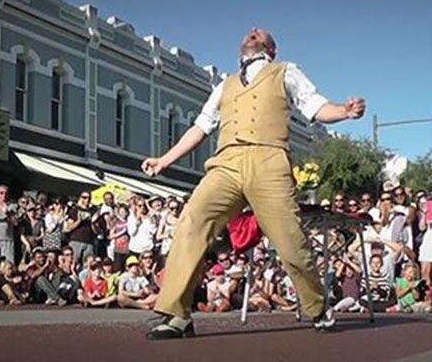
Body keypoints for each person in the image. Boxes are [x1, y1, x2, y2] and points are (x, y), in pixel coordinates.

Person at [141, 27, 366, 339]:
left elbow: (315, 106)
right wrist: (165, 160)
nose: (253, 32)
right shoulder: (225, 85)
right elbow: (201, 126)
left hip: (269, 160)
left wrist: (344, 111)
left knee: (289, 239)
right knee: (192, 221)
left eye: (261, 33)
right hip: (226, 162)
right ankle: (177, 314)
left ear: (271, 49)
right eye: (250, 32)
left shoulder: (285, 71)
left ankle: (317, 306)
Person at [64, 192, 97, 263]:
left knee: (88, 264)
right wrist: (79, 221)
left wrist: (93, 222)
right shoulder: (75, 210)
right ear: (80, 198)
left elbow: (96, 231)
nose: (87, 200)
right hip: (76, 240)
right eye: (84, 197)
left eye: (89, 198)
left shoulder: (93, 211)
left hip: (89, 241)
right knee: (73, 262)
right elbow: (69, 227)